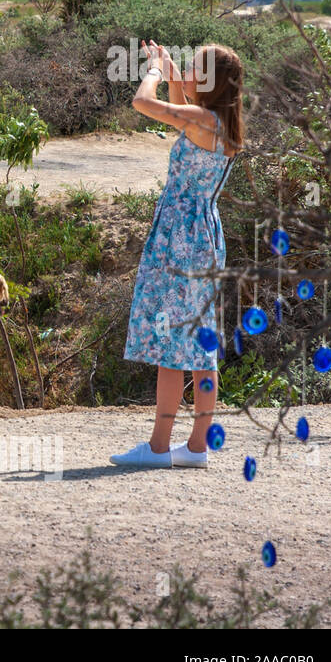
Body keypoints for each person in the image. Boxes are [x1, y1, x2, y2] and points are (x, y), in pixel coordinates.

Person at [113, 41, 244, 469]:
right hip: (204, 236)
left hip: (178, 239)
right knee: (199, 346)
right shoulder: (219, 121)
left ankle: (156, 448)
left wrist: (152, 70)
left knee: (171, 344)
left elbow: (141, 103)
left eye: (194, 69)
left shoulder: (201, 118)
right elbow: (180, 114)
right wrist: (173, 74)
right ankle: (196, 447)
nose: (188, 72)